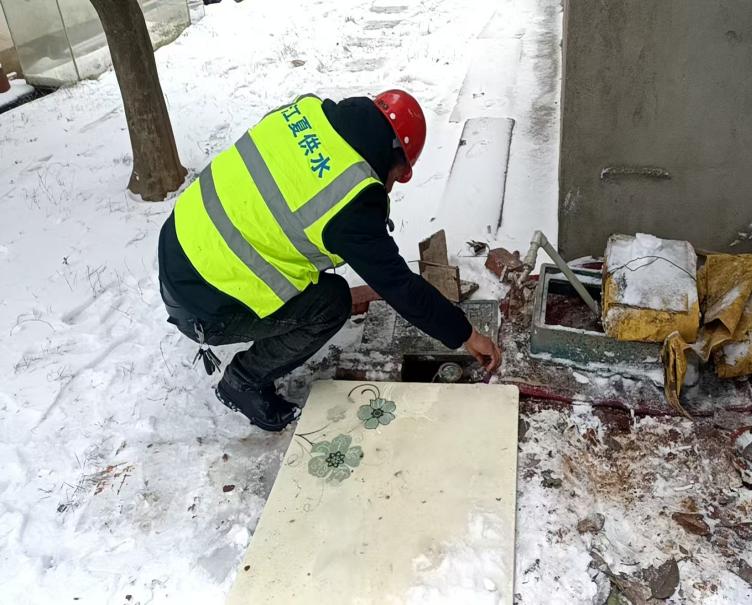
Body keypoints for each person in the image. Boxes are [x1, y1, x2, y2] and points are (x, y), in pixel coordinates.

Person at [158, 90, 502, 431]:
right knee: (331, 303)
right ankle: (243, 381)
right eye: (398, 177)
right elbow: (400, 287)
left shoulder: (310, 112)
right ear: (395, 160)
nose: (391, 188)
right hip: (204, 305)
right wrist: (467, 334)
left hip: (182, 240)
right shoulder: (349, 202)